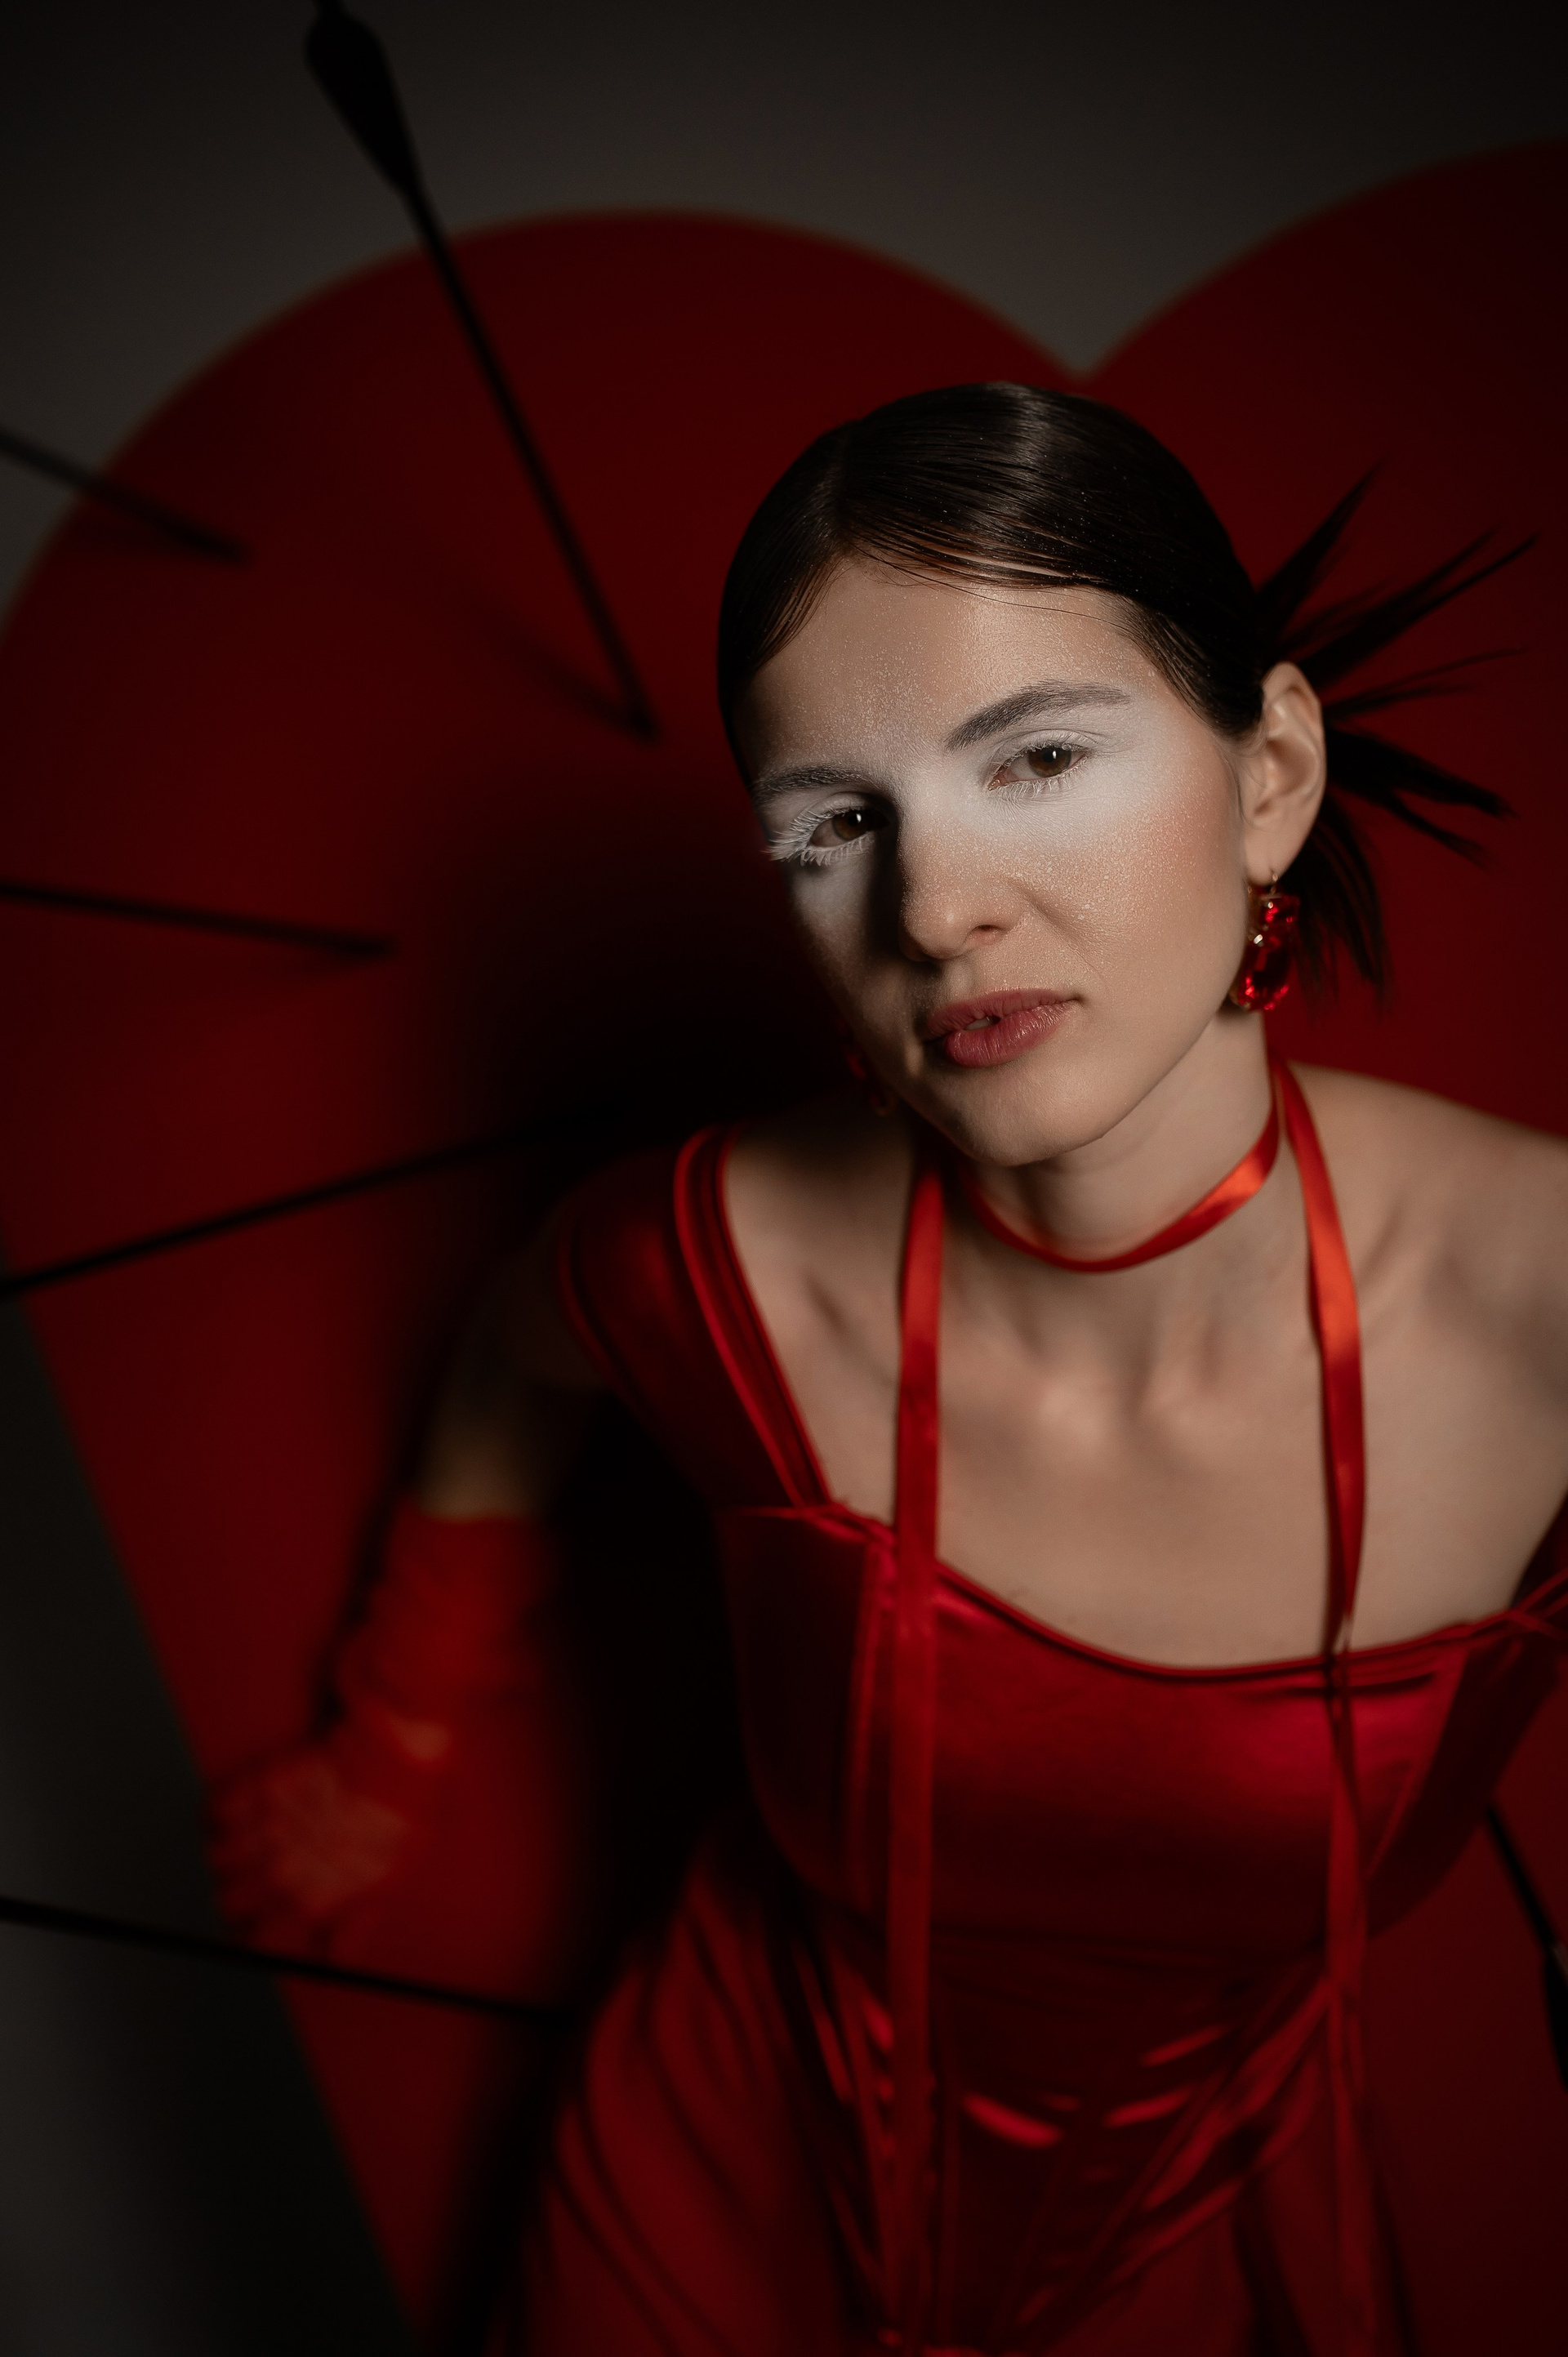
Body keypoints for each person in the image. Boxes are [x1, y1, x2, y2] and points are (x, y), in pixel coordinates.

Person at [212, 385, 1568, 2354]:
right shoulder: (715, 1263)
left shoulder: (1542, 1307)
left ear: (1271, 774)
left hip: (1219, 2244)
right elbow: (510, 1357)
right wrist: (393, 1727)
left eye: (1038, 758)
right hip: (708, 2180)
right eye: (834, 824)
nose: (933, 911)